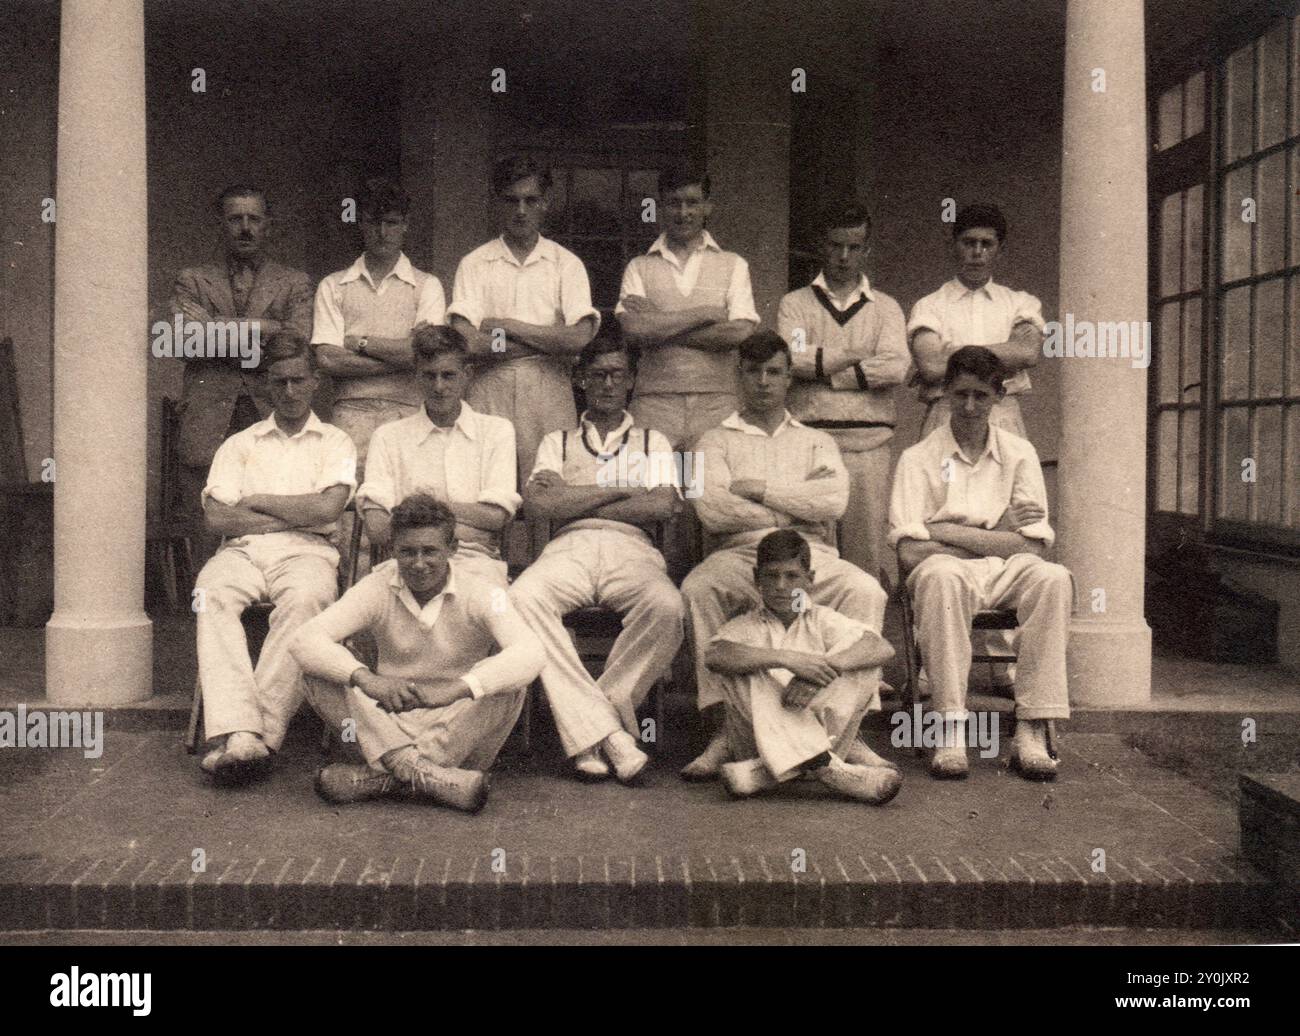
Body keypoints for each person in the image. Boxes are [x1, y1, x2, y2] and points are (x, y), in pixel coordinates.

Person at [680, 330, 890, 780]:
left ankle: (852, 731)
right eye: (753, 371)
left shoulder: (816, 441)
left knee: (865, 589)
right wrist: (793, 507)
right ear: (739, 376)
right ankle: (722, 728)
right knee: (700, 586)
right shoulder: (714, 440)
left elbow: (833, 502)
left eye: (773, 371)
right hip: (742, 554)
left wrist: (760, 490)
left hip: (810, 556)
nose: (763, 381)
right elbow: (712, 510)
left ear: (788, 377)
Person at [291, 495, 545, 812]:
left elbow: (532, 652)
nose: (419, 563)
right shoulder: (378, 586)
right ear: (392, 549)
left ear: (452, 548)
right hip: (385, 722)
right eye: (407, 552)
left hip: (455, 727)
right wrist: (367, 679)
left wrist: (457, 688)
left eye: (430, 551)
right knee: (317, 675)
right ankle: (425, 776)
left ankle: (383, 776)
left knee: (508, 684)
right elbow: (304, 640)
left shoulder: (481, 592)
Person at [888, 346, 1071, 780]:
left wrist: (945, 531)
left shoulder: (1020, 453)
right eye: (960, 395)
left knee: (1054, 578)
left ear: (998, 396)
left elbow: (1035, 549)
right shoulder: (918, 459)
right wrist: (999, 536)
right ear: (946, 393)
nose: (969, 406)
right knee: (943, 576)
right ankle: (949, 729)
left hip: (998, 568)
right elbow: (910, 553)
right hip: (944, 569)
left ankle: (1030, 728)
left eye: (981, 396)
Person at [510, 331, 681, 783]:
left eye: (617, 374)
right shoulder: (558, 441)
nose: (607, 383)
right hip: (570, 546)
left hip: (632, 547)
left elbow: (662, 505)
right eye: (598, 374)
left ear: (631, 382)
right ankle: (614, 735)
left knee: (668, 606)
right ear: (581, 379)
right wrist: (619, 489)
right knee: (523, 598)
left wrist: (576, 494)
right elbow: (540, 506)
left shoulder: (653, 441)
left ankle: (592, 728)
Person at [193, 331, 356, 783]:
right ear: (266, 383)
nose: (289, 392)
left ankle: (256, 733)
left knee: (307, 601)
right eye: (279, 382)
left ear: (315, 382)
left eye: (298, 381)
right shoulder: (240, 444)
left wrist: (260, 499)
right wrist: (294, 513)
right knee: (209, 593)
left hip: (309, 553)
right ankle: (243, 729)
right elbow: (217, 520)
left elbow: (327, 510)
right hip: (242, 551)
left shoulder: (335, 441)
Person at [169, 184, 314, 563]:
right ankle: (208, 607)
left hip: (270, 407)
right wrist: (265, 327)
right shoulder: (193, 279)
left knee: (271, 509)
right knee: (207, 519)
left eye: (254, 219)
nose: (245, 228)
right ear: (221, 224)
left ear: (268, 225)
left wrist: (216, 327)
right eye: (235, 219)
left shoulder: (294, 282)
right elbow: (186, 342)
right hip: (207, 414)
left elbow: (295, 341)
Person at [706, 529, 901, 804]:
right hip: (757, 741)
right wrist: (784, 658)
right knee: (750, 667)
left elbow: (880, 647)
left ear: (809, 580)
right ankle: (827, 767)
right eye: (771, 576)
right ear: (756, 578)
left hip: (795, 744)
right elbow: (715, 655)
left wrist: (823, 671)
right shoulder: (745, 625)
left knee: (860, 663)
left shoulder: (822, 619)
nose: (781, 586)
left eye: (792, 576)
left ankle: (768, 771)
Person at [778, 201, 909, 580]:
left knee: (864, 558)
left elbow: (895, 366)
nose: (844, 256)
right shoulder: (796, 304)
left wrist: (828, 373)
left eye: (854, 247)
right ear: (823, 245)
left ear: (866, 250)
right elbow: (793, 359)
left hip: (868, 444)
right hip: (809, 441)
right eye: (836, 245)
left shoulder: (885, 309)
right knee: (810, 552)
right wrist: (854, 354)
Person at [448, 156, 600, 476]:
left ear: (546, 203)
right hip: (489, 391)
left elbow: (578, 339)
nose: (521, 210)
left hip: (548, 392)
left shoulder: (566, 264)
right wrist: (547, 340)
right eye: (511, 200)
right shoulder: (474, 264)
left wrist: (507, 326)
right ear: (498, 204)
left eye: (530, 200)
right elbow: (468, 344)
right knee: (488, 490)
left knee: (548, 492)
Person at [356, 324, 519, 586]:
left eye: (448, 375)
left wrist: (415, 510)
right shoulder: (388, 436)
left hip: (475, 563)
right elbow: (376, 529)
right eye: (429, 376)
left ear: (467, 375)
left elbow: (495, 518)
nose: (439, 386)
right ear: (416, 376)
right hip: (404, 566)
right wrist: (464, 519)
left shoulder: (496, 431)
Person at [616, 163, 759, 451]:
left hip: (718, 401)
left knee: (707, 491)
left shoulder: (733, 264)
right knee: (651, 487)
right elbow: (634, 331)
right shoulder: (640, 266)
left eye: (692, 203)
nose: (683, 213)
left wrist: (659, 321)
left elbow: (738, 333)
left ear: (707, 206)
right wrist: (702, 315)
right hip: (654, 400)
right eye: (673, 203)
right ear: (660, 207)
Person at [311, 177, 446, 475]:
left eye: (392, 222)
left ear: (406, 224)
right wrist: (404, 358)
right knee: (349, 505)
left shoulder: (426, 286)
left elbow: (428, 354)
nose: (383, 233)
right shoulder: (334, 285)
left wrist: (358, 342)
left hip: (409, 411)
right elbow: (327, 359)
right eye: (374, 222)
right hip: (350, 412)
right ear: (360, 222)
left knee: (409, 501)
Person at [906, 203, 1044, 439]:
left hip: (1003, 415)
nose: (977, 252)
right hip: (945, 415)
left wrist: (952, 354)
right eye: (969, 242)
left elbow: (1027, 352)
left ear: (1000, 250)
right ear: (953, 246)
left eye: (987, 244)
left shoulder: (1021, 303)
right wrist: (1005, 351)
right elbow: (931, 367)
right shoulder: (929, 305)